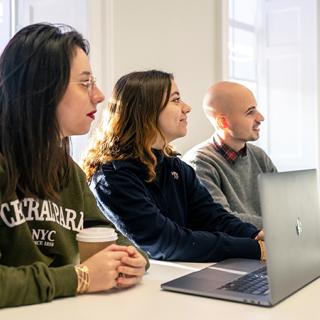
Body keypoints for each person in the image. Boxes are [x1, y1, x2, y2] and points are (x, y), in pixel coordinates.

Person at [0, 23, 147, 309]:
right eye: (85, 83)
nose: (100, 95)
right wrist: (79, 278)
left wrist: (133, 258)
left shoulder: (68, 171)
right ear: (40, 89)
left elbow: (109, 235)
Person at [82, 70, 265, 263]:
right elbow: (167, 241)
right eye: (176, 100)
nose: (187, 108)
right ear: (147, 110)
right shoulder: (113, 177)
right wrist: (254, 249)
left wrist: (255, 235)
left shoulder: (175, 166)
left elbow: (213, 217)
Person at [183, 82, 277, 229]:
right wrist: (282, 224)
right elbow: (222, 219)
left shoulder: (259, 156)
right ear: (223, 122)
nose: (261, 118)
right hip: (238, 248)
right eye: (250, 112)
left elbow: (282, 207)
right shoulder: (199, 162)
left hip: (270, 241)